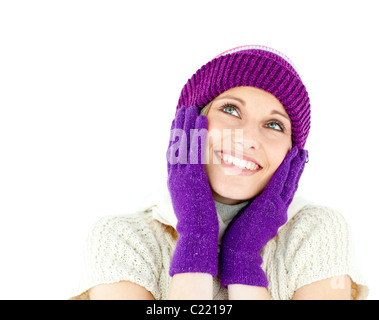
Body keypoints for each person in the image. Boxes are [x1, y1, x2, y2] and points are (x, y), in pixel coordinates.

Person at [71, 45, 368, 300]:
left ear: (292, 158)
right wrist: (197, 235)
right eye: (230, 110)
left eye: (275, 125)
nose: (248, 138)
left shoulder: (317, 232)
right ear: (189, 128)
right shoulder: (122, 238)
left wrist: (243, 258)